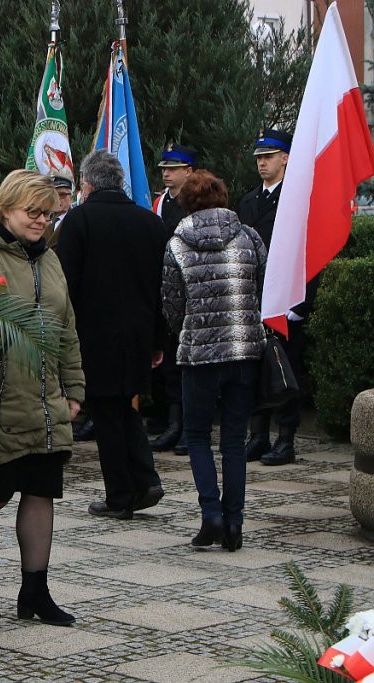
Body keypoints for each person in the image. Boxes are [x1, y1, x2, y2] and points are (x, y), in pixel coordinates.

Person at [0, 170, 85, 625]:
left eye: (47, 213)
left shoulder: (50, 260)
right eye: (33, 211)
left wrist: (75, 389)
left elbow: (67, 330)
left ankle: (35, 593)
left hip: (45, 402)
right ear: (5, 207)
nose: (41, 220)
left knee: (41, 492)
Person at [56, 150, 167, 520]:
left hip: (93, 336)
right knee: (123, 407)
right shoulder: (150, 222)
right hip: (137, 334)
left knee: (108, 413)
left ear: (85, 184)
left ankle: (120, 495)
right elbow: (162, 289)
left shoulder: (78, 221)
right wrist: (157, 340)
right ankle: (145, 481)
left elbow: (66, 284)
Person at [161, 170, 266, 551]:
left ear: (186, 203)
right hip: (244, 351)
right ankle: (235, 522)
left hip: (199, 354)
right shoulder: (249, 237)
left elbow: (172, 304)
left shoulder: (177, 244)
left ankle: (212, 515)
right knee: (235, 440)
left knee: (198, 436)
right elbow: (261, 287)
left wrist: (187, 331)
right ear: (223, 197)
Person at [237, 128, 305, 466]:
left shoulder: (296, 198)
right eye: (259, 158)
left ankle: (286, 438)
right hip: (253, 297)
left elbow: (307, 251)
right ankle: (258, 434)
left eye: (268, 156)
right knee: (252, 368)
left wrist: (301, 302)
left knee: (285, 366)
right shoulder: (249, 201)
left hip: (285, 297)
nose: (262, 163)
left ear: (286, 158)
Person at [150, 143, 198, 455]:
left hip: (189, 289)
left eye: (174, 168)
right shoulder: (159, 203)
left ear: (188, 171)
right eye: (164, 169)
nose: (167, 173)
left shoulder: (193, 202)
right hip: (163, 287)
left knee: (187, 362)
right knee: (168, 360)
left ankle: (187, 426)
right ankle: (171, 421)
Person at [45, 175, 74, 250]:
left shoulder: (76, 220)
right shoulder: (43, 219)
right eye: (53, 195)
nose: (57, 199)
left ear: (71, 198)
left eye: (62, 195)